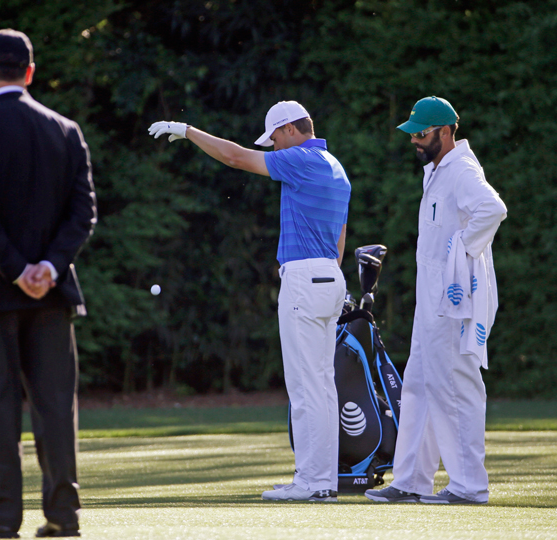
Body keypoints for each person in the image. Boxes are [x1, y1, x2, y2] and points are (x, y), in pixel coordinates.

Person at [149, 101, 351, 502]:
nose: (273, 147)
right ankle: (322, 479)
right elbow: (341, 235)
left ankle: (311, 482)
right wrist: (326, 276)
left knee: (305, 386)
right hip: (330, 274)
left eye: (274, 138)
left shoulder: (300, 159)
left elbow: (235, 157)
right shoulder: (335, 166)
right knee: (323, 385)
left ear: (290, 129)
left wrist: (187, 130)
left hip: (305, 279)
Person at [0, 29, 97, 537]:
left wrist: (16, 270)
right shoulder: (66, 131)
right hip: (52, 293)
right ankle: (63, 516)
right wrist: (47, 268)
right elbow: (83, 212)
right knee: (55, 407)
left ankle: (4, 516)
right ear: (30, 72)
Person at [364, 96, 507, 505]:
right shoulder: (437, 169)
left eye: (422, 133)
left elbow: (493, 208)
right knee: (420, 385)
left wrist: (462, 250)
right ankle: (411, 480)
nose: (415, 140)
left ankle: (469, 486)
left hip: (454, 298)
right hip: (433, 298)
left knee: (455, 384)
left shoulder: (460, 169)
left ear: (445, 132)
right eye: (412, 134)